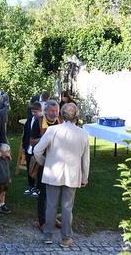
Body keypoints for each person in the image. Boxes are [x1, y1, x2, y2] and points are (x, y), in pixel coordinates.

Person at [34, 103, 90, 248]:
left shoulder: (52, 130)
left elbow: (37, 150)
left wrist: (45, 163)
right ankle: (66, 238)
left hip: (53, 173)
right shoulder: (83, 133)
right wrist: (84, 178)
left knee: (51, 206)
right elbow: (86, 160)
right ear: (76, 116)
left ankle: (48, 236)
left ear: (61, 115)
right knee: (67, 208)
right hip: (72, 175)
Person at [30, 99, 61, 232]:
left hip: (58, 161)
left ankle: (52, 218)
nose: (54, 114)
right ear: (46, 111)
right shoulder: (37, 121)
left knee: (56, 192)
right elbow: (31, 142)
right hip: (42, 161)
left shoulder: (61, 121)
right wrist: (48, 138)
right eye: (51, 111)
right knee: (43, 193)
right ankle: (42, 221)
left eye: (56, 111)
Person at [22, 101, 42, 196]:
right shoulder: (29, 120)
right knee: (29, 168)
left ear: (40, 111)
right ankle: (31, 186)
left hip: (37, 149)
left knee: (37, 169)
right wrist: (24, 146)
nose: (34, 114)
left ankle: (38, 188)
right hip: (28, 148)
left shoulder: (42, 122)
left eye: (36, 112)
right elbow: (25, 134)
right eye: (32, 112)